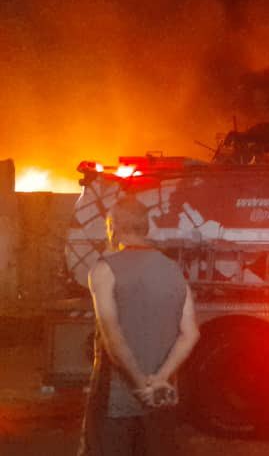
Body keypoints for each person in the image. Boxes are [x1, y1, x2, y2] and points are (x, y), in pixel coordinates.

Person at [78, 195, 200, 456]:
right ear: (146, 228)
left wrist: (139, 385)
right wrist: (160, 379)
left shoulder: (103, 270)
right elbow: (190, 334)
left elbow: (113, 338)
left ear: (113, 227)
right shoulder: (174, 270)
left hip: (115, 400)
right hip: (161, 397)